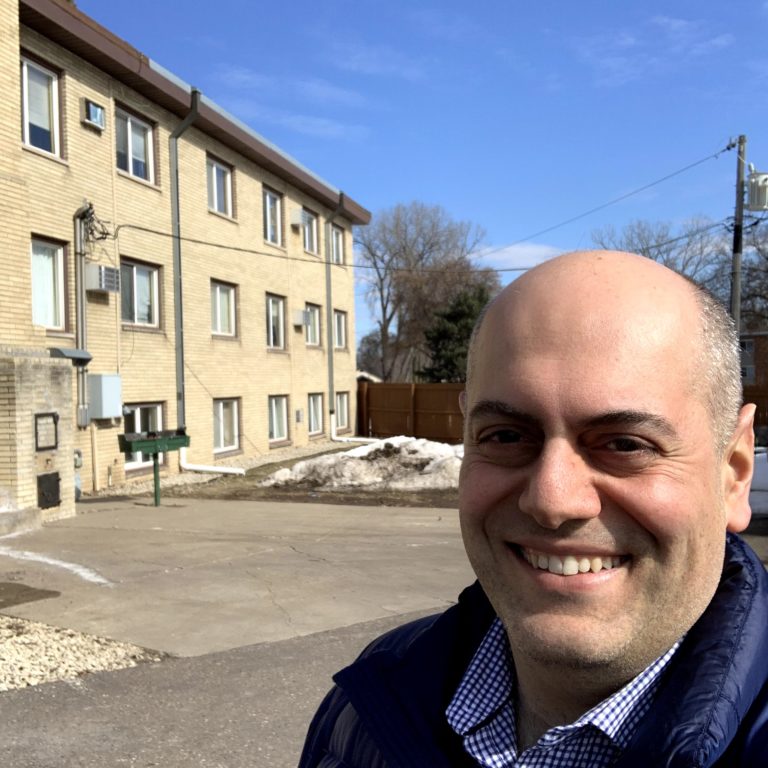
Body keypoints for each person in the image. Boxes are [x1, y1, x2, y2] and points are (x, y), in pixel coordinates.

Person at [299, 250, 768, 767]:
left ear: (734, 471)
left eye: (625, 445)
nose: (552, 500)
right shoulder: (375, 699)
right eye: (505, 436)